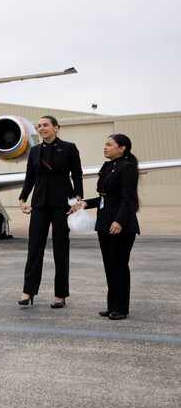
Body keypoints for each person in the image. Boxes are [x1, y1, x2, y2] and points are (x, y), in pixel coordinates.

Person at [18, 115, 83, 308]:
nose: (41, 128)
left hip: (62, 204)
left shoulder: (69, 148)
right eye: (39, 126)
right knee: (34, 248)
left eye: (46, 125)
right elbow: (30, 177)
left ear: (56, 127)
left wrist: (77, 198)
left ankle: (60, 294)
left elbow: (77, 174)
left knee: (60, 249)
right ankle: (28, 291)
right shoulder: (35, 151)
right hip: (40, 203)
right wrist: (23, 198)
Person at [73, 134, 140, 320]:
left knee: (119, 266)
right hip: (104, 224)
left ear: (122, 148)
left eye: (109, 145)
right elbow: (105, 197)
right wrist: (85, 203)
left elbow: (129, 199)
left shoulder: (128, 168)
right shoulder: (107, 166)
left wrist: (119, 221)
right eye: (105, 144)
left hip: (121, 225)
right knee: (110, 266)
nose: (105, 147)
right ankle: (112, 306)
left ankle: (121, 308)